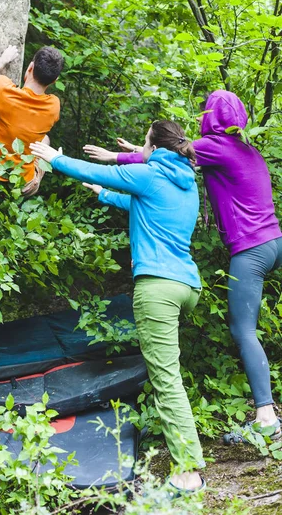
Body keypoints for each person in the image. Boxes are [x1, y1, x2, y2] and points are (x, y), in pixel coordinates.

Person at [84, 90, 282, 444]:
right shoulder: (248, 150)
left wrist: (118, 155)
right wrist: (142, 149)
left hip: (251, 249)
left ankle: (266, 417)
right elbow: (173, 158)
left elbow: (167, 161)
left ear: (211, 116)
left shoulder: (215, 145)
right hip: (274, 241)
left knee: (243, 330)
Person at [30, 120, 206, 494]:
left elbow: (102, 170)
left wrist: (55, 158)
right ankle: (186, 456)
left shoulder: (149, 172)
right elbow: (134, 200)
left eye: (143, 142)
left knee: (166, 378)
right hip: (187, 285)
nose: (140, 148)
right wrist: (102, 193)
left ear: (154, 146)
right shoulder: (185, 183)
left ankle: (189, 472)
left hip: (157, 288)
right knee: (168, 372)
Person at [0, 44, 64, 198]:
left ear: (30, 67)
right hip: (21, 184)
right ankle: (34, 181)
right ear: (55, 80)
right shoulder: (54, 106)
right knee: (45, 139)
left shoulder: (2, 90)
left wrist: (3, 59)